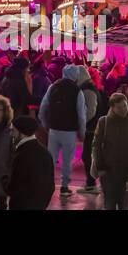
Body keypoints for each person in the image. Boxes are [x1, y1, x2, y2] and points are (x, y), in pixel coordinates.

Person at [38, 62, 88, 195]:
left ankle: (46, 184)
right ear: (76, 76)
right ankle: (64, 187)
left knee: (51, 159)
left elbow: (43, 108)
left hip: (53, 129)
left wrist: (45, 125)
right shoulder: (78, 92)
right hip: (70, 132)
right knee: (67, 160)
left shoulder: (53, 87)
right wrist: (82, 132)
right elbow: (81, 116)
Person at [91, 92, 128, 210]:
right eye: (119, 107)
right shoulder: (104, 122)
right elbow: (96, 146)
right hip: (109, 172)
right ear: (112, 108)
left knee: (125, 205)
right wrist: (101, 167)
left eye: (124, 106)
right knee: (109, 203)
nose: (123, 109)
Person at [7, 115, 54, 210]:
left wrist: (3, 180)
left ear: (22, 133)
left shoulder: (21, 155)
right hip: (40, 204)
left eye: (13, 131)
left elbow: (13, 188)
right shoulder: (45, 152)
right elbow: (50, 185)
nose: (11, 134)